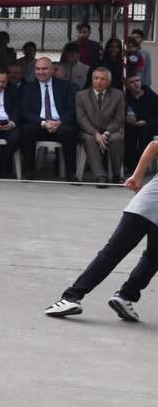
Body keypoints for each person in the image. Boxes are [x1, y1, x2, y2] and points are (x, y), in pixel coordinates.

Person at [46, 137, 158, 321]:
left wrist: (138, 176)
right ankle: (76, 297)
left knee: (129, 254)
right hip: (147, 204)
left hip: (145, 205)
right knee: (132, 254)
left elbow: (154, 146)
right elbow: (155, 146)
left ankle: (120, 296)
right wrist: (137, 176)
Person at [20, 56, 78, 182]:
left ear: (52, 70)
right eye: (38, 69)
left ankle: (71, 173)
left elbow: (72, 109)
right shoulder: (27, 88)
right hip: (39, 124)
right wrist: (43, 122)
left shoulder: (66, 86)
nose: (41, 72)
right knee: (27, 129)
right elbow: (25, 112)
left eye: (44, 69)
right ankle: (29, 171)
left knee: (70, 131)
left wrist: (59, 122)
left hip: (60, 124)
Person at [76, 66, 124, 185]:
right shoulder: (81, 95)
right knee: (89, 139)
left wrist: (107, 132)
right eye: (96, 78)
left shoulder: (118, 95)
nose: (99, 81)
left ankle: (116, 174)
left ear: (109, 82)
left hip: (111, 130)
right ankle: (100, 176)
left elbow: (119, 118)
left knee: (117, 138)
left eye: (102, 79)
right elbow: (81, 119)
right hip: (90, 131)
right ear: (92, 80)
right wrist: (95, 133)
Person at [125, 72, 158, 172]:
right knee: (129, 131)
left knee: (144, 130)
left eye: (138, 81)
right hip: (130, 126)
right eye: (132, 82)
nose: (136, 84)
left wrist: (146, 121)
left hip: (148, 126)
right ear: (126, 85)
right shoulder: (125, 96)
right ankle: (130, 165)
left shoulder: (152, 96)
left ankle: (143, 165)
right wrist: (126, 119)